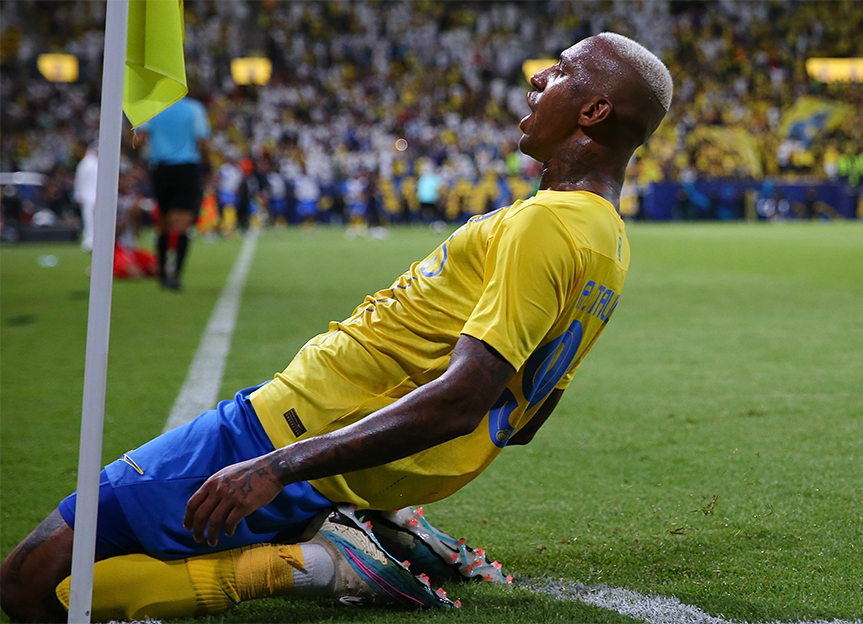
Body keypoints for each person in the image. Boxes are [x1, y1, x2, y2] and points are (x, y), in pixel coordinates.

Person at [0, 32, 672, 622]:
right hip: (345, 459)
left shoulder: (545, 225)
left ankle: (313, 564)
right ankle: (361, 523)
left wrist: (278, 466)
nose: (538, 77)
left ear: (593, 111)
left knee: (29, 583)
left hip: (290, 430)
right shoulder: (607, 242)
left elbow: (462, 399)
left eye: (560, 70)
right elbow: (526, 418)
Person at [136, 95, 211, 290]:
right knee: (183, 224)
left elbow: (140, 138)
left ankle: (162, 274)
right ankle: (175, 274)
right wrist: (208, 166)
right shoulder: (194, 108)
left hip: (161, 169)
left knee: (163, 222)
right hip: (186, 168)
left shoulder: (153, 107)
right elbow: (203, 141)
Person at [74, 142, 98, 253]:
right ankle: (89, 242)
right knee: (89, 220)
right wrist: (79, 195)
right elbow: (80, 180)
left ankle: (94, 241)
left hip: (95, 195)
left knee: (94, 220)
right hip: (88, 196)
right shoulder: (86, 163)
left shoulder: (95, 162)